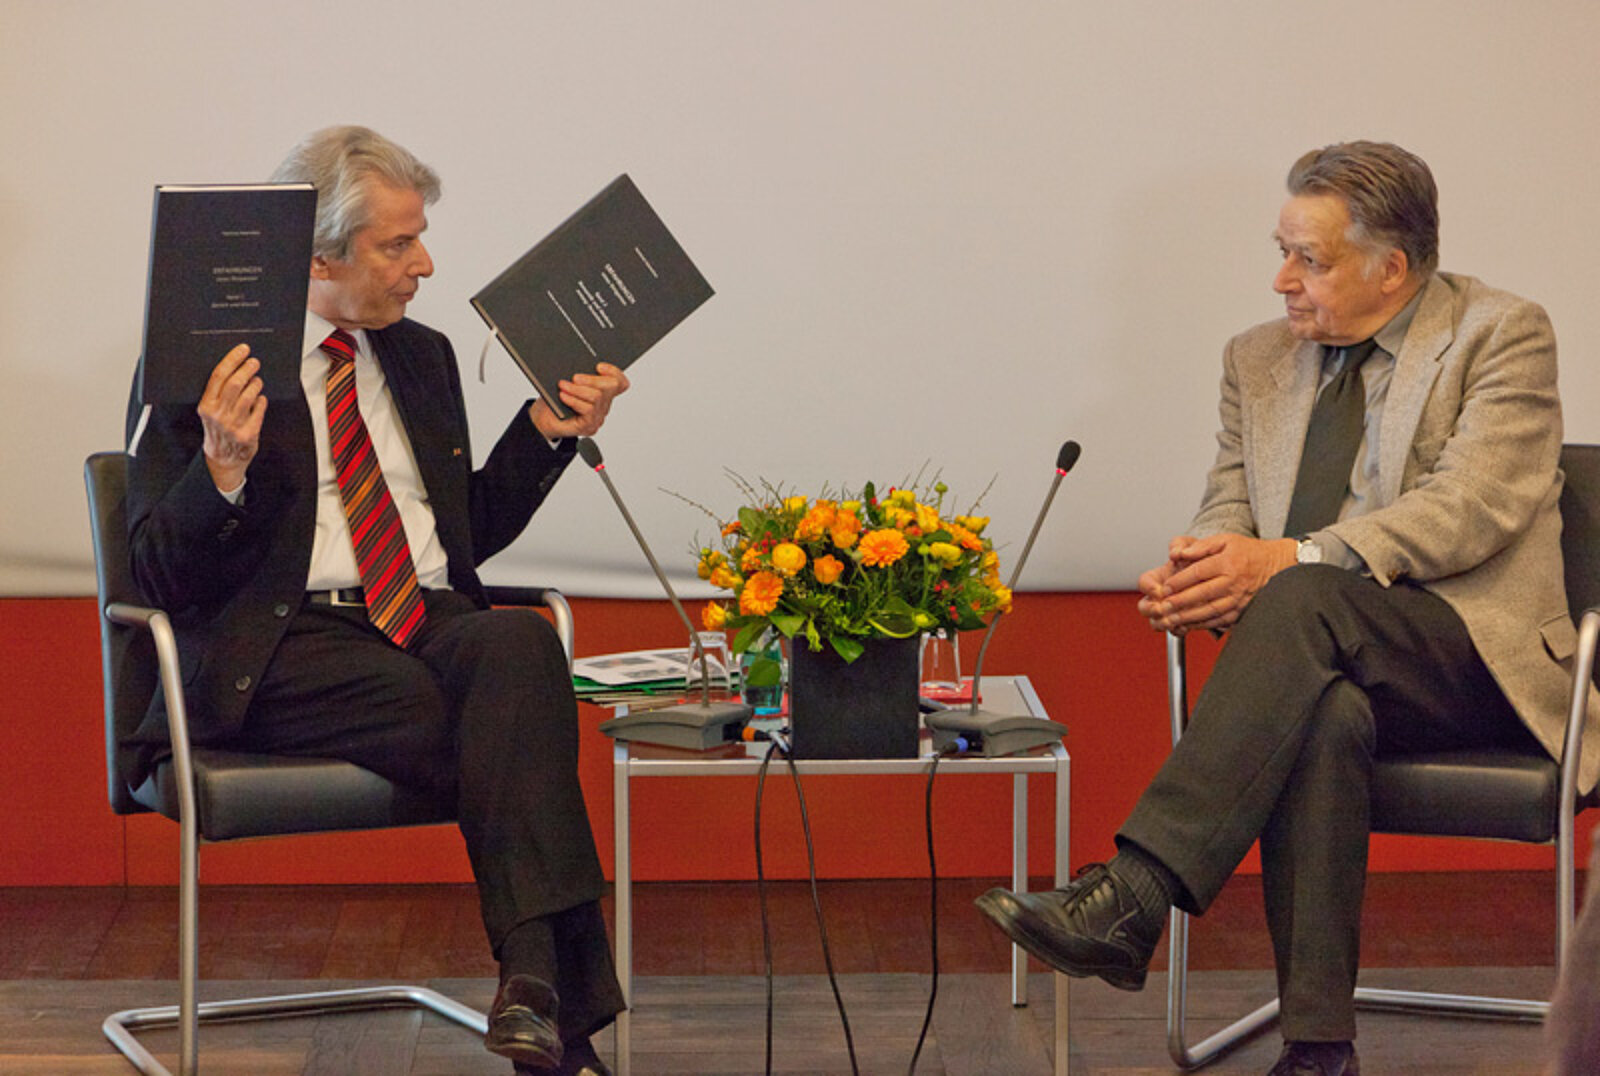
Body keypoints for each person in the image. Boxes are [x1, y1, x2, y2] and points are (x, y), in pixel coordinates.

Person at [975, 141, 1600, 1076]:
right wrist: (1200, 568)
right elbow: (1231, 503)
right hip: (1329, 654)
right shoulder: (1258, 358)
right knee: (1323, 710)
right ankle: (1318, 1051)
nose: (1282, 280)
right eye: (1282, 251)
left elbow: (1472, 506)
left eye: (1310, 259)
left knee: (1306, 594)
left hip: (1475, 661)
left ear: (1391, 269)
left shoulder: (1501, 332)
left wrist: (1290, 559)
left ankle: (1136, 889)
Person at [124, 125, 628, 1076]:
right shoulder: (208, 368)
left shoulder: (422, 357)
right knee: (505, 722)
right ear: (318, 256)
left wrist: (544, 432)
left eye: (420, 238)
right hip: (284, 643)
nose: (424, 265)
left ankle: (533, 988)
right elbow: (156, 574)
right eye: (398, 244)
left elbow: (463, 533)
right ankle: (551, 1011)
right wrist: (219, 471)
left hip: (421, 618)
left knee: (521, 648)